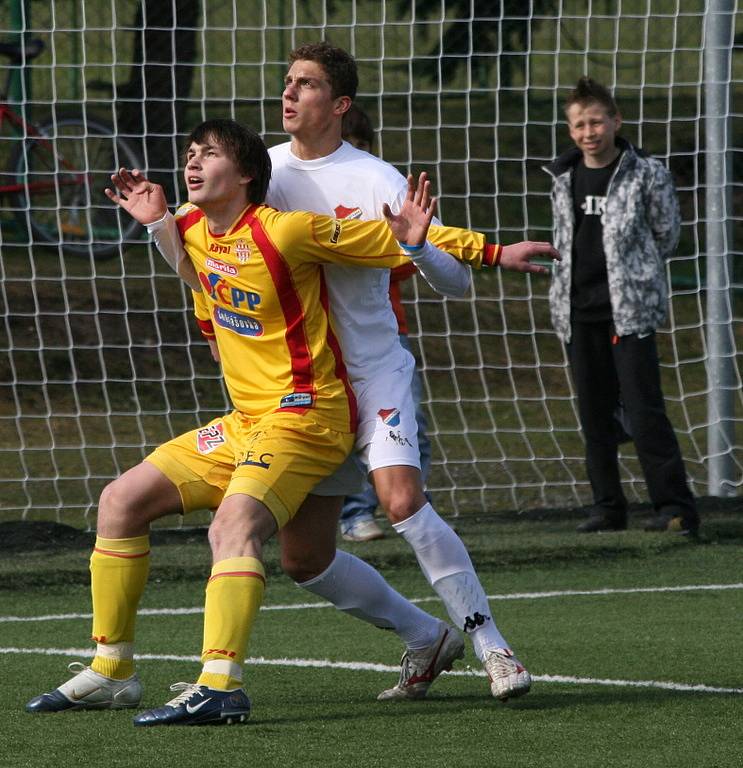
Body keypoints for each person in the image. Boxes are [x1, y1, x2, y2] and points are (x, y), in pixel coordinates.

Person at [25, 118, 491, 726]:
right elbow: (196, 274)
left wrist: (494, 250)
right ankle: (112, 671)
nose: (191, 164)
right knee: (121, 501)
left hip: (306, 416)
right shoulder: (190, 228)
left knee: (233, 528)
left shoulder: (286, 231)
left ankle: (221, 684)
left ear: (245, 174)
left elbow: (395, 236)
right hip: (248, 421)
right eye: (188, 154)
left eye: (208, 154)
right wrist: (158, 222)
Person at [152, 42, 558, 702]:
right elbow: (197, 243)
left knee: (399, 499)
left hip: (372, 374)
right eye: (286, 82)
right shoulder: (261, 170)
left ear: (338, 105)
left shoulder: (373, 178)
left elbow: (439, 269)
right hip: (301, 394)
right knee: (303, 557)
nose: (288, 94)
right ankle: (425, 637)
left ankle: (492, 645)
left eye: (305, 85)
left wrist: (480, 250)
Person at [544, 76, 699, 536]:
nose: (588, 132)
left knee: (643, 409)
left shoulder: (646, 173)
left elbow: (665, 234)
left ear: (616, 122)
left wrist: (635, 276)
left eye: (596, 122)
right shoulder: (563, 176)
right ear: (570, 131)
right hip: (577, 310)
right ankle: (608, 507)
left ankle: (674, 508)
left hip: (628, 312)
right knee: (594, 415)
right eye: (579, 125)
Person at [337, 103, 432, 543]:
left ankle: (412, 508)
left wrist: (395, 247)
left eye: (360, 149)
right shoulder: (303, 202)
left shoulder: (381, 197)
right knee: (345, 432)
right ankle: (353, 513)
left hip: (390, 335)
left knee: (411, 423)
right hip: (328, 341)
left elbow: (411, 264)